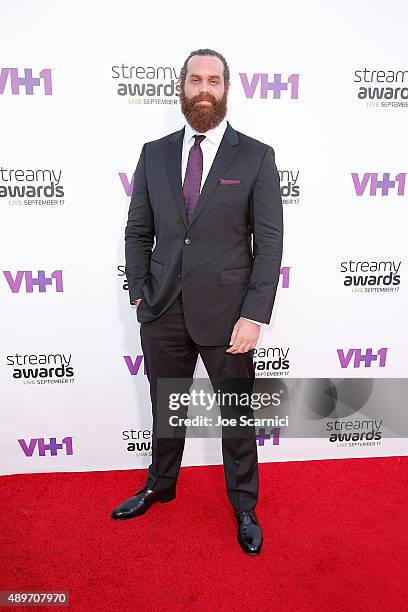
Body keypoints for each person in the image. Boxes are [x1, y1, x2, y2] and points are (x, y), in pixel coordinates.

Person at [112, 48, 283, 555]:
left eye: (213, 80)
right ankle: (159, 486)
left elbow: (268, 243)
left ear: (226, 88)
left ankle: (245, 506)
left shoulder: (256, 156)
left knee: (235, 416)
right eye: (194, 80)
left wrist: (254, 313)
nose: (203, 89)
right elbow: (138, 230)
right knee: (166, 409)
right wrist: (140, 292)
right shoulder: (155, 152)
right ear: (181, 86)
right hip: (162, 309)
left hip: (230, 316)